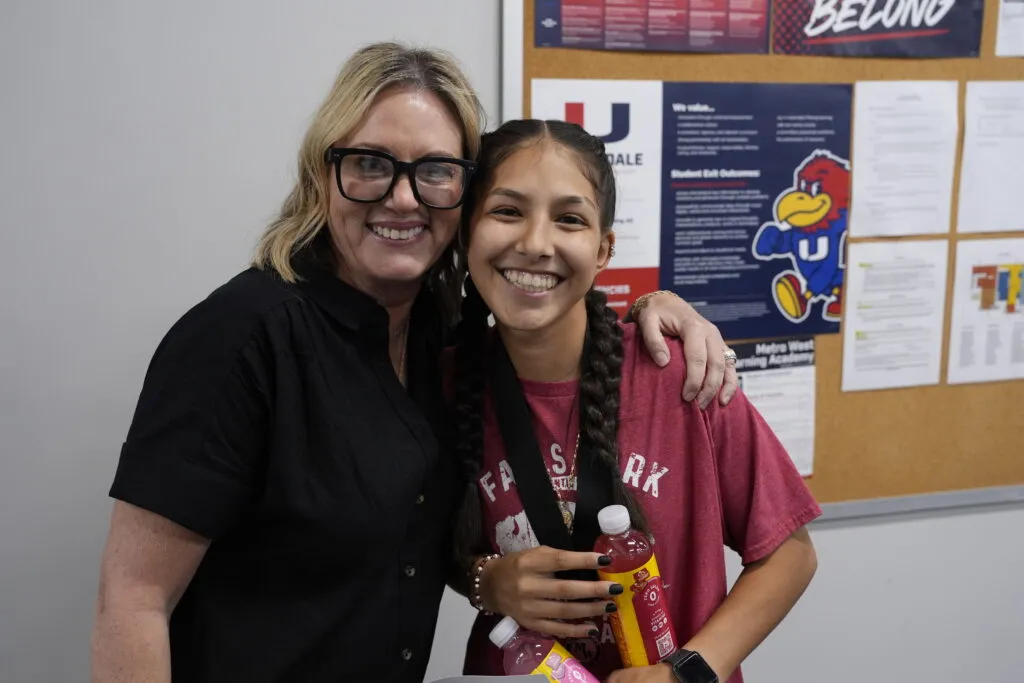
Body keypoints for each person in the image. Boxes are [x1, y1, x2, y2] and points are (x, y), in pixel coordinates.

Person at [89, 43, 738, 683]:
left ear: (463, 195)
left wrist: (657, 304)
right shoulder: (242, 336)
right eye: (370, 163)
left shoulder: (445, 339)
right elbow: (133, 600)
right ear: (323, 172)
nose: (403, 198)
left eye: (434, 170)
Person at [450, 119, 821, 683]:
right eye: (507, 211)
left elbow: (789, 553)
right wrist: (487, 580)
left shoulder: (682, 372)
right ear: (466, 233)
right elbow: (420, 549)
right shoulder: (445, 384)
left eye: (569, 219)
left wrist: (689, 670)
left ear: (602, 250)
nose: (535, 242)